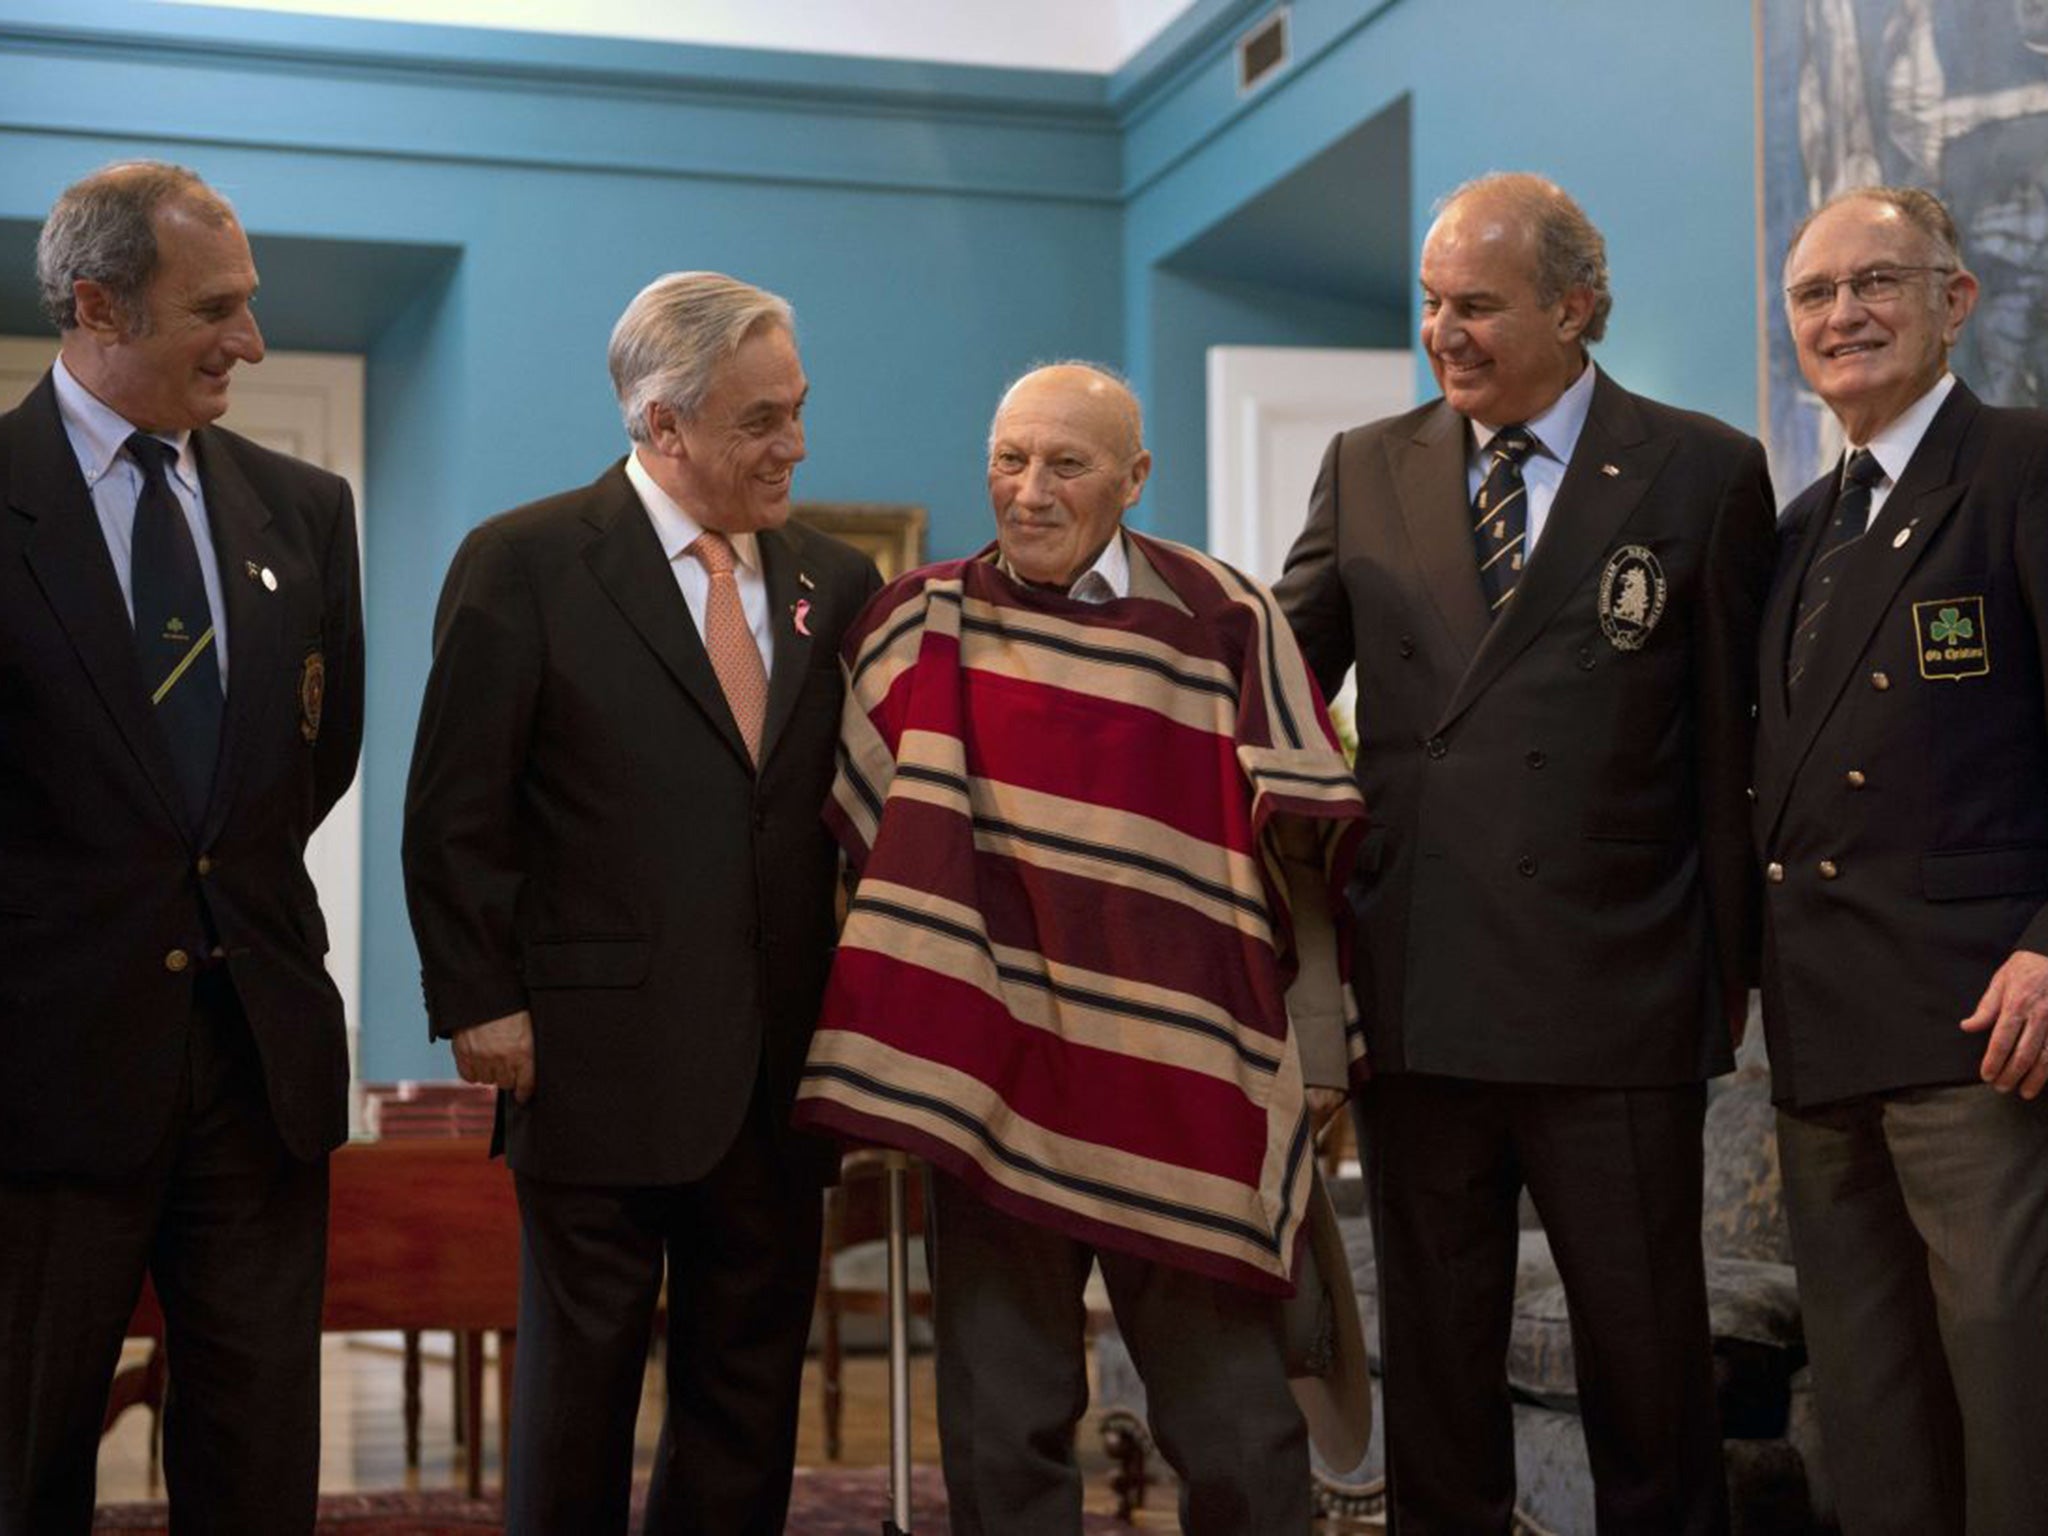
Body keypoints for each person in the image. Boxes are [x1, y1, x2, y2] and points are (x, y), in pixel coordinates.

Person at [1275, 172, 1777, 1535]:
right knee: (1438, 1364)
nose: (1446, 332)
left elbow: (1737, 750)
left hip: (1620, 993)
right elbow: (1269, 686)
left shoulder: (1704, 470)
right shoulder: (1365, 467)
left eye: (1479, 306)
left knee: (1647, 1366)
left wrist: (1727, 983)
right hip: (1422, 987)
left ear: (1575, 306)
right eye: (1432, 305)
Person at [795, 363, 1368, 1535]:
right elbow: (853, 858)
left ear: (1133, 476)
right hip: (987, 1078)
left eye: (1066, 463)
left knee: (1240, 1432)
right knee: (1002, 1427)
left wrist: (1317, 1059)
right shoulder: (918, 623)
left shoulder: (1222, 618)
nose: (1029, 490)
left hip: (1186, 1083)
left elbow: (1303, 862)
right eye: (1009, 459)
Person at [402, 271, 878, 1534]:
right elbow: (454, 813)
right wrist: (479, 1002)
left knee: (746, 1398)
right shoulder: (525, 562)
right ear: (661, 426)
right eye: (759, 421)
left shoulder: (833, 578)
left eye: (797, 409)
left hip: (778, 1068)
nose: (795, 445)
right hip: (590, 1061)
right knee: (578, 1397)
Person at [0, 161, 364, 1533]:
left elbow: (306, 766)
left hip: (256, 1069)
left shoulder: (303, 512)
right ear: (96, 305)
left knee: (257, 1466)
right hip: (40, 1080)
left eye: (251, 306)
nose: (252, 343)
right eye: (216, 309)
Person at [1756, 185, 2048, 1536]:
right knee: (1869, 1414)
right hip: (1821, 1032)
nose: (1843, 313)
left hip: (1983, 1027)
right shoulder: (1800, 528)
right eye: (1815, 294)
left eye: (1878, 281)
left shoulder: (2024, 466)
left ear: (1955, 300)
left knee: (2011, 1394)